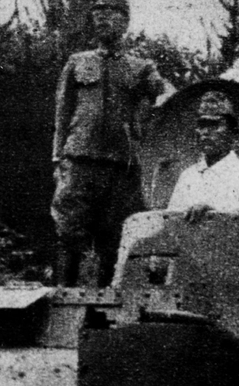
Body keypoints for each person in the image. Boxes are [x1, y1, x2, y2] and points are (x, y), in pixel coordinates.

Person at [51, 0, 173, 287]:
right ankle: (61, 300)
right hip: (78, 161)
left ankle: (102, 311)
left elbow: (165, 92)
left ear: (125, 22)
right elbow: (62, 112)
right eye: (98, 14)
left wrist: (156, 102)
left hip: (120, 167)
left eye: (110, 14)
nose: (102, 19)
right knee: (68, 232)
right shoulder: (77, 62)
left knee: (113, 238)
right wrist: (58, 159)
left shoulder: (141, 67)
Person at [166, 90, 239, 223]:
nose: (205, 133)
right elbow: (172, 223)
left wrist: (215, 211)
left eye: (214, 125)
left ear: (233, 133)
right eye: (202, 125)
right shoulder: (188, 176)